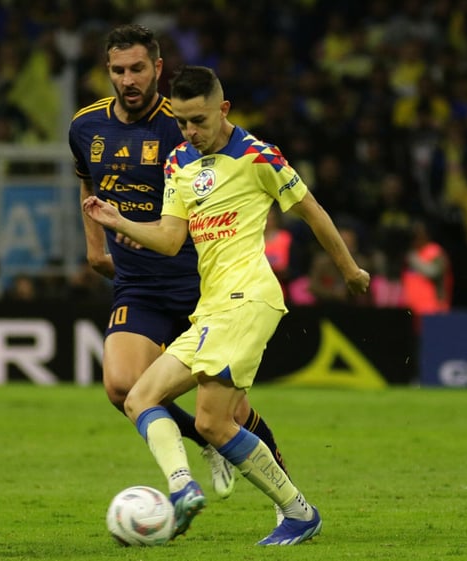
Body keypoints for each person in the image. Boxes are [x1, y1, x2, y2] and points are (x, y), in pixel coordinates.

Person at [82, 65, 370, 545]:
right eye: (182, 122)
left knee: (212, 420)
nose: (191, 132)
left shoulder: (257, 156)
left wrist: (350, 271)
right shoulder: (179, 162)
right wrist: (118, 221)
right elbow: (171, 239)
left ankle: (298, 514)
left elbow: (311, 211)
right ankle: (183, 488)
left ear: (223, 109)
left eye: (199, 120)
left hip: (249, 298)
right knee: (139, 399)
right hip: (212, 307)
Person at [68, 25, 290, 510]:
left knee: (232, 412)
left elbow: (227, 193)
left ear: (158, 69)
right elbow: (88, 185)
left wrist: (148, 228)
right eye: (118, 70)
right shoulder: (86, 126)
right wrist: (95, 248)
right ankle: (205, 445)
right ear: (108, 71)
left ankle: (282, 487)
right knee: (120, 386)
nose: (128, 79)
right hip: (137, 283)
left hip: (198, 284)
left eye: (138, 69)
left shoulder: (186, 122)